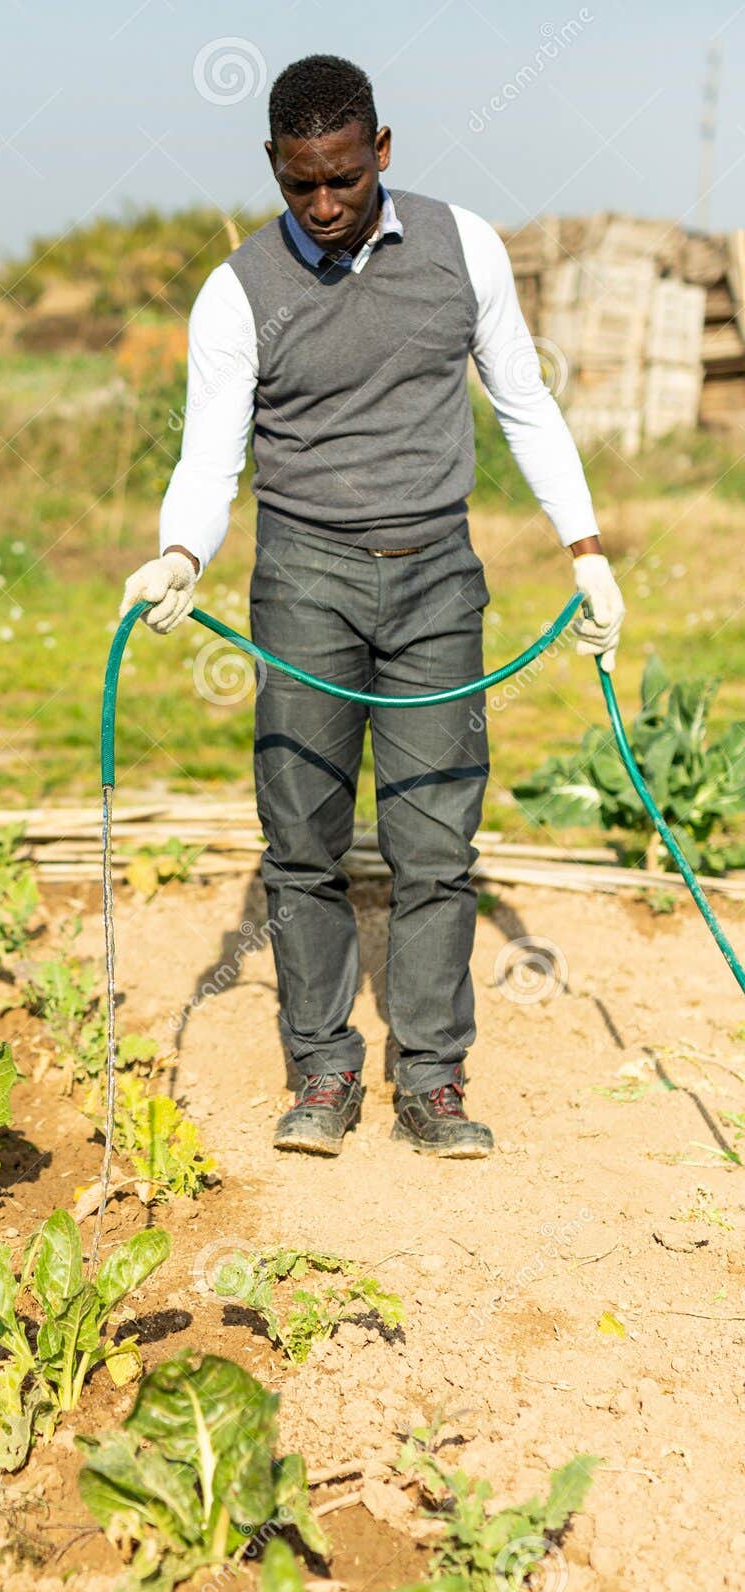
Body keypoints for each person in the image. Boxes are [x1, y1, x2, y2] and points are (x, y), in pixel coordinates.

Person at [120, 53, 623, 1161]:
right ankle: (320, 1070)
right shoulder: (235, 292)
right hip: (302, 577)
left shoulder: (463, 249)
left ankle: (431, 1081)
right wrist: (175, 555)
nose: (323, 204)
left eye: (342, 177)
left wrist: (583, 550)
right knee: (300, 841)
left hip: (438, 573)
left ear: (380, 151)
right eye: (299, 183)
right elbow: (211, 458)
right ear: (272, 166)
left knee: (433, 843)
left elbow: (524, 406)